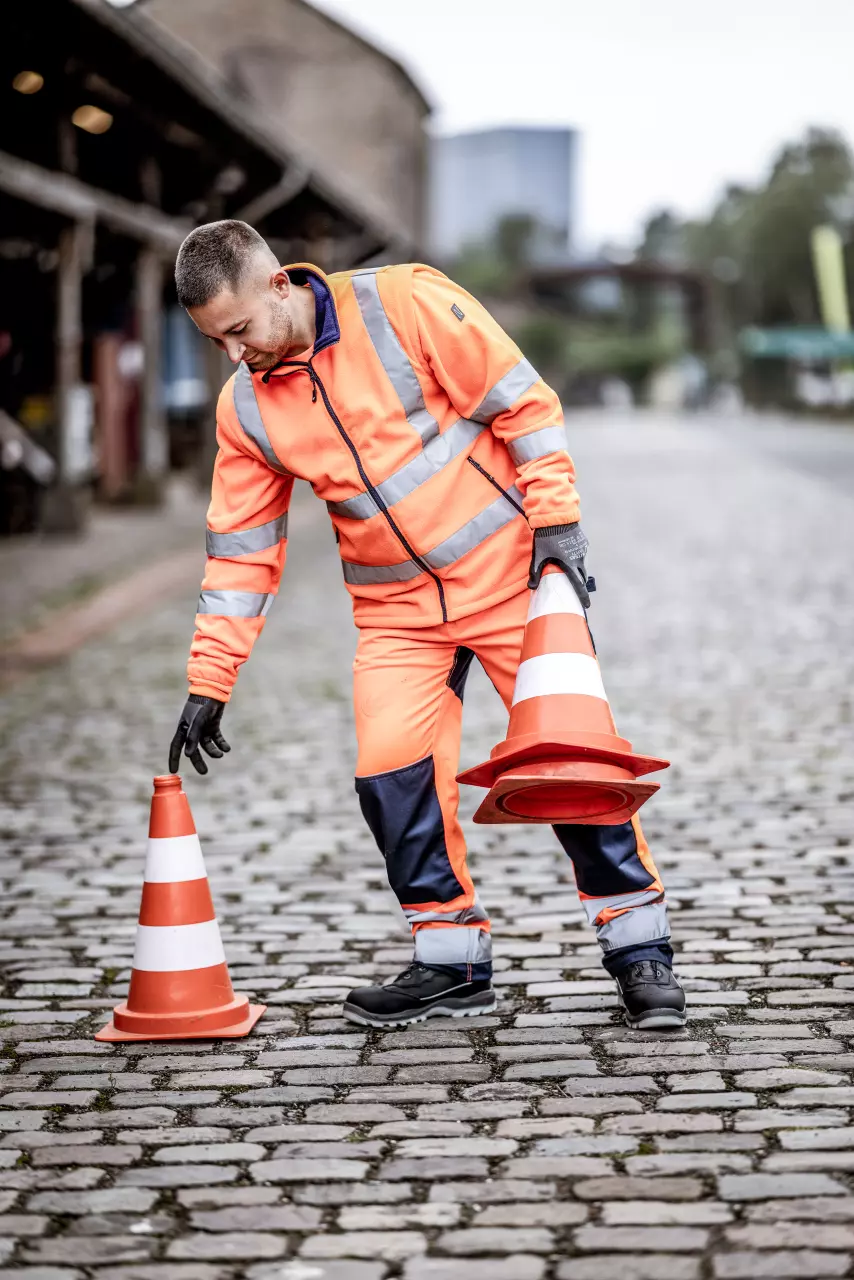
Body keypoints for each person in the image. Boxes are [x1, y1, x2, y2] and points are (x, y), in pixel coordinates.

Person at [168, 220, 685, 1031]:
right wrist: (209, 680)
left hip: (513, 579)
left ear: (279, 285)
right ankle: (451, 958)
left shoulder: (403, 302)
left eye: (239, 331)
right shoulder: (247, 410)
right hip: (399, 615)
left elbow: (524, 401)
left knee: (571, 763)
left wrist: (557, 523)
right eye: (216, 342)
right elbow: (241, 553)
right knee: (390, 775)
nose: (236, 354)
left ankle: (639, 950)